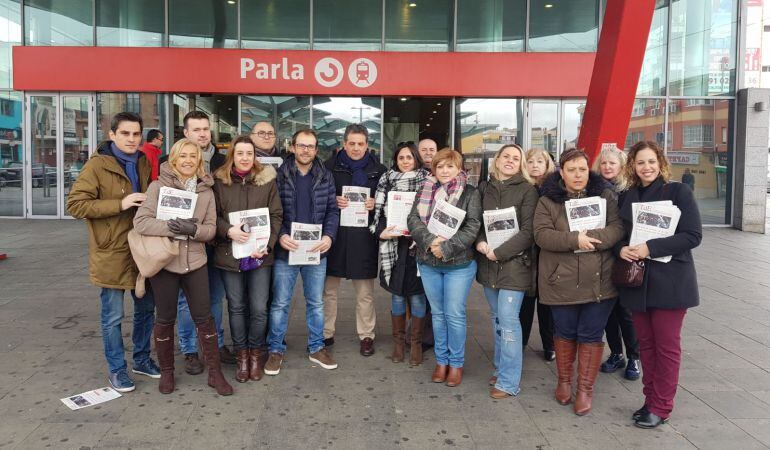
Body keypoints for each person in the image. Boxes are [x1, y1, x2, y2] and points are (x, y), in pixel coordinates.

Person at [66, 112, 160, 393]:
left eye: (135, 134)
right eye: (125, 134)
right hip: (110, 252)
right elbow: (76, 206)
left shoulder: (143, 161)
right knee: (113, 316)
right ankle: (117, 369)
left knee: (146, 310)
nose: (131, 139)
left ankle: (141, 359)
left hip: (141, 249)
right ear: (112, 135)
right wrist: (120, 204)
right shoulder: (96, 166)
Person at [133, 138, 232, 396]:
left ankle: (214, 372)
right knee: (165, 318)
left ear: (199, 161)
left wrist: (194, 230)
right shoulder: (157, 187)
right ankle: (166, 372)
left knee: (205, 318)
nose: (188, 160)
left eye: (193, 156)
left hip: (196, 262)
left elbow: (211, 229)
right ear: (174, 159)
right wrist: (172, 226)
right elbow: (141, 222)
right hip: (166, 263)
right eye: (183, 156)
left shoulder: (206, 191)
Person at [616, 141, 702, 428]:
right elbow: (620, 234)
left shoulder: (678, 192)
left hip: (671, 283)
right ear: (633, 166)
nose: (647, 167)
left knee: (666, 347)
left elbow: (692, 235)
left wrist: (649, 247)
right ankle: (650, 400)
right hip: (637, 282)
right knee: (646, 346)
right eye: (641, 162)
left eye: (651, 161)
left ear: (660, 162)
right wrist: (621, 249)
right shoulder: (627, 195)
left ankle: (662, 406)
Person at [533, 148, 624, 416]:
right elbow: (541, 235)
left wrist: (591, 238)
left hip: (600, 281)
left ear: (589, 170)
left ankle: (585, 389)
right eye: (571, 169)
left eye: (582, 169)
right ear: (561, 171)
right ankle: (564, 381)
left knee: (591, 334)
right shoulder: (547, 200)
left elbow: (617, 228)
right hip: (560, 280)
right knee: (565, 332)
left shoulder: (605, 195)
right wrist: (575, 240)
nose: (577, 175)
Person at [264, 129, 339, 375]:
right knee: (280, 303)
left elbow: (332, 211)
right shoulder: (279, 175)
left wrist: (329, 236)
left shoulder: (325, 176)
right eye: (302, 145)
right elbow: (272, 210)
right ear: (293, 147)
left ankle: (317, 347)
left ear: (316, 150)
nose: (306, 150)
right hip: (287, 249)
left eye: (311, 146)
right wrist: (281, 235)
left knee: (316, 302)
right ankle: (275, 349)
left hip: (316, 250)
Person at [407, 149, 482, 387]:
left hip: (458, 264)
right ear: (434, 169)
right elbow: (413, 220)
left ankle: (456, 364)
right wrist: (430, 242)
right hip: (429, 262)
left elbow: (472, 226)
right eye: (440, 167)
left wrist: (447, 248)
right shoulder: (425, 189)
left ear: (459, 168)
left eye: (450, 166)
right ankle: (442, 361)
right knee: (438, 315)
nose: (445, 171)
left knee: (454, 314)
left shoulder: (470, 193)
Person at [212, 135, 283, 383]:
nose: (245, 158)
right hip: (231, 254)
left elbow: (276, 215)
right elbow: (213, 216)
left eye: (249, 153)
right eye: (240, 153)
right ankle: (241, 355)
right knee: (237, 307)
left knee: (259, 308)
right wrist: (227, 230)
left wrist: (267, 244)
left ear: (255, 156)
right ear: (233, 154)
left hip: (260, 255)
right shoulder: (219, 182)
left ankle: (256, 353)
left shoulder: (267, 181)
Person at [475, 144, 539, 399]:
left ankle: (509, 382)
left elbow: (528, 232)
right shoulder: (485, 188)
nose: (510, 161)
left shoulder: (528, 190)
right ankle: (501, 368)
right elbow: (477, 221)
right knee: (496, 318)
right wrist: (480, 241)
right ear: (497, 160)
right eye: (506, 157)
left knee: (509, 321)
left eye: (516, 158)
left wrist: (499, 252)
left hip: (515, 265)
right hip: (489, 265)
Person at [175, 111, 234, 376]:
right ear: (186, 133)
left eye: (206, 129)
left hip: (218, 242)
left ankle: (216, 344)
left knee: (215, 297)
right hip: (185, 245)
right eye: (196, 129)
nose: (202, 133)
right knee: (186, 301)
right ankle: (189, 349)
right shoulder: (172, 162)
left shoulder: (224, 162)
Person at [323, 124, 387, 357]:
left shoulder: (379, 170)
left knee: (365, 293)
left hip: (364, 238)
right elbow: (320, 197)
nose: (356, 148)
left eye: (361, 144)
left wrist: (376, 205)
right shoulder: (329, 167)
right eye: (352, 143)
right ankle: (325, 332)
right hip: (336, 237)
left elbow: (389, 201)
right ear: (344, 144)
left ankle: (366, 335)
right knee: (328, 291)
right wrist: (333, 199)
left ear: (367, 145)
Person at [371, 142, 429, 365]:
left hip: (418, 248)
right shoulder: (386, 181)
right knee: (396, 296)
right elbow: (378, 213)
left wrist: (419, 233)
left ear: (416, 158)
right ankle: (398, 343)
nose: (405, 161)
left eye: (409, 157)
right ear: (396, 160)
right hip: (394, 247)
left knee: (417, 297)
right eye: (401, 157)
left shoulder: (427, 182)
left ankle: (415, 344)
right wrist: (381, 232)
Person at [593, 146, 640, 381]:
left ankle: (634, 356)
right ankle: (616, 353)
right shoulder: (594, 190)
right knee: (608, 312)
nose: (607, 167)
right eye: (603, 163)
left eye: (612, 163)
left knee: (625, 311)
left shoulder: (629, 191)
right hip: (601, 258)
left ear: (621, 166)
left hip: (623, 255)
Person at [521, 148, 556, 361]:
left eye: (539, 161)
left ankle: (549, 344)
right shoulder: (521, 188)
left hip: (548, 254)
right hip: (524, 255)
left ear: (547, 165)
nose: (535, 165)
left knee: (547, 304)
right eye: (530, 161)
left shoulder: (554, 190)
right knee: (524, 303)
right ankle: (521, 342)